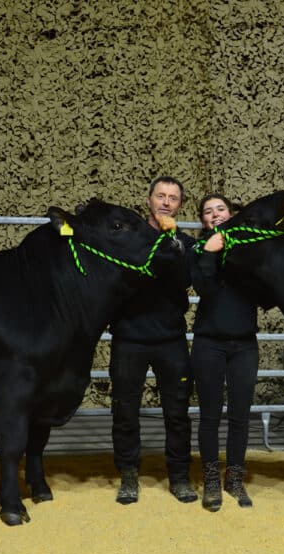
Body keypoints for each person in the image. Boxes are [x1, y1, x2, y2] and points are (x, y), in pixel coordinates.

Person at [108, 176, 197, 505]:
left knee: (177, 412)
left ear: (179, 206)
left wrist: (172, 241)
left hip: (170, 338)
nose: (166, 202)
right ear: (148, 200)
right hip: (129, 337)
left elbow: (186, 279)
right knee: (125, 411)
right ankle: (128, 475)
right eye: (160, 195)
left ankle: (179, 476)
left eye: (173, 198)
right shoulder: (127, 238)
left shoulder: (184, 243)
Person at [190, 194, 258, 511]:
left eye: (220, 209)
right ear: (203, 220)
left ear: (230, 214)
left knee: (240, 415)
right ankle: (212, 481)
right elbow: (203, 288)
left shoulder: (247, 249)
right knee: (210, 415)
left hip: (244, 344)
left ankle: (234, 479)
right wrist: (209, 251)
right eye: (208, 211)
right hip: (209, 342)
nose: (215, 214)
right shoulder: (197, 249)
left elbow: (262, 291)